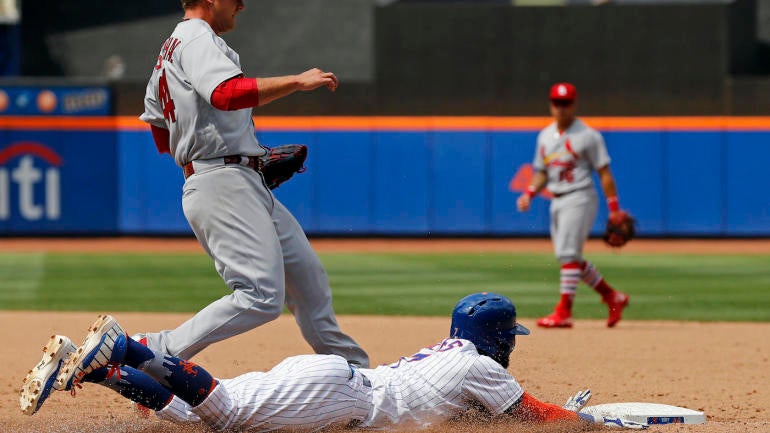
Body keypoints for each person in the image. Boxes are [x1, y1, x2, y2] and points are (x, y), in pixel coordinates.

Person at [20, 293, 646, 430]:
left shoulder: (454, 353)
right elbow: (533, 416)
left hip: (336, 388)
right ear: (497, 336)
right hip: (342, 394)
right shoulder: (484, 368)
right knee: (229, 413)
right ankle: (124, 345)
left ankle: (99, 367)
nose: (512, 343)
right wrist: (587, 422)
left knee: (198, 420)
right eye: (511, 335)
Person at [136, 0, 368, 367]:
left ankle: (353, 371)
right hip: (223, 181)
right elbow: (224, 94)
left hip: (236, 178)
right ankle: (154, 349)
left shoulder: (170, 49)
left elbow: (159, 130)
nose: (241, 5)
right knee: (260, 296)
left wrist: (230, 155)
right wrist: (296, 82)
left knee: (306, 277)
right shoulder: (197, 37)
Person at [517, 83, 630, 329]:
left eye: (565, 103)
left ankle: (564, 311)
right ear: (550, 104)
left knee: (568, 255)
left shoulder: (588, 136)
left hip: (580, 196)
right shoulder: (545, 136)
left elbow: (604, 172)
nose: (560, 108)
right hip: (556, 200)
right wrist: (529, 192)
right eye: (557, 103)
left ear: (574, 104)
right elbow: (541, 173)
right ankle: (613, 297)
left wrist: (614, 208)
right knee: (569, 257)